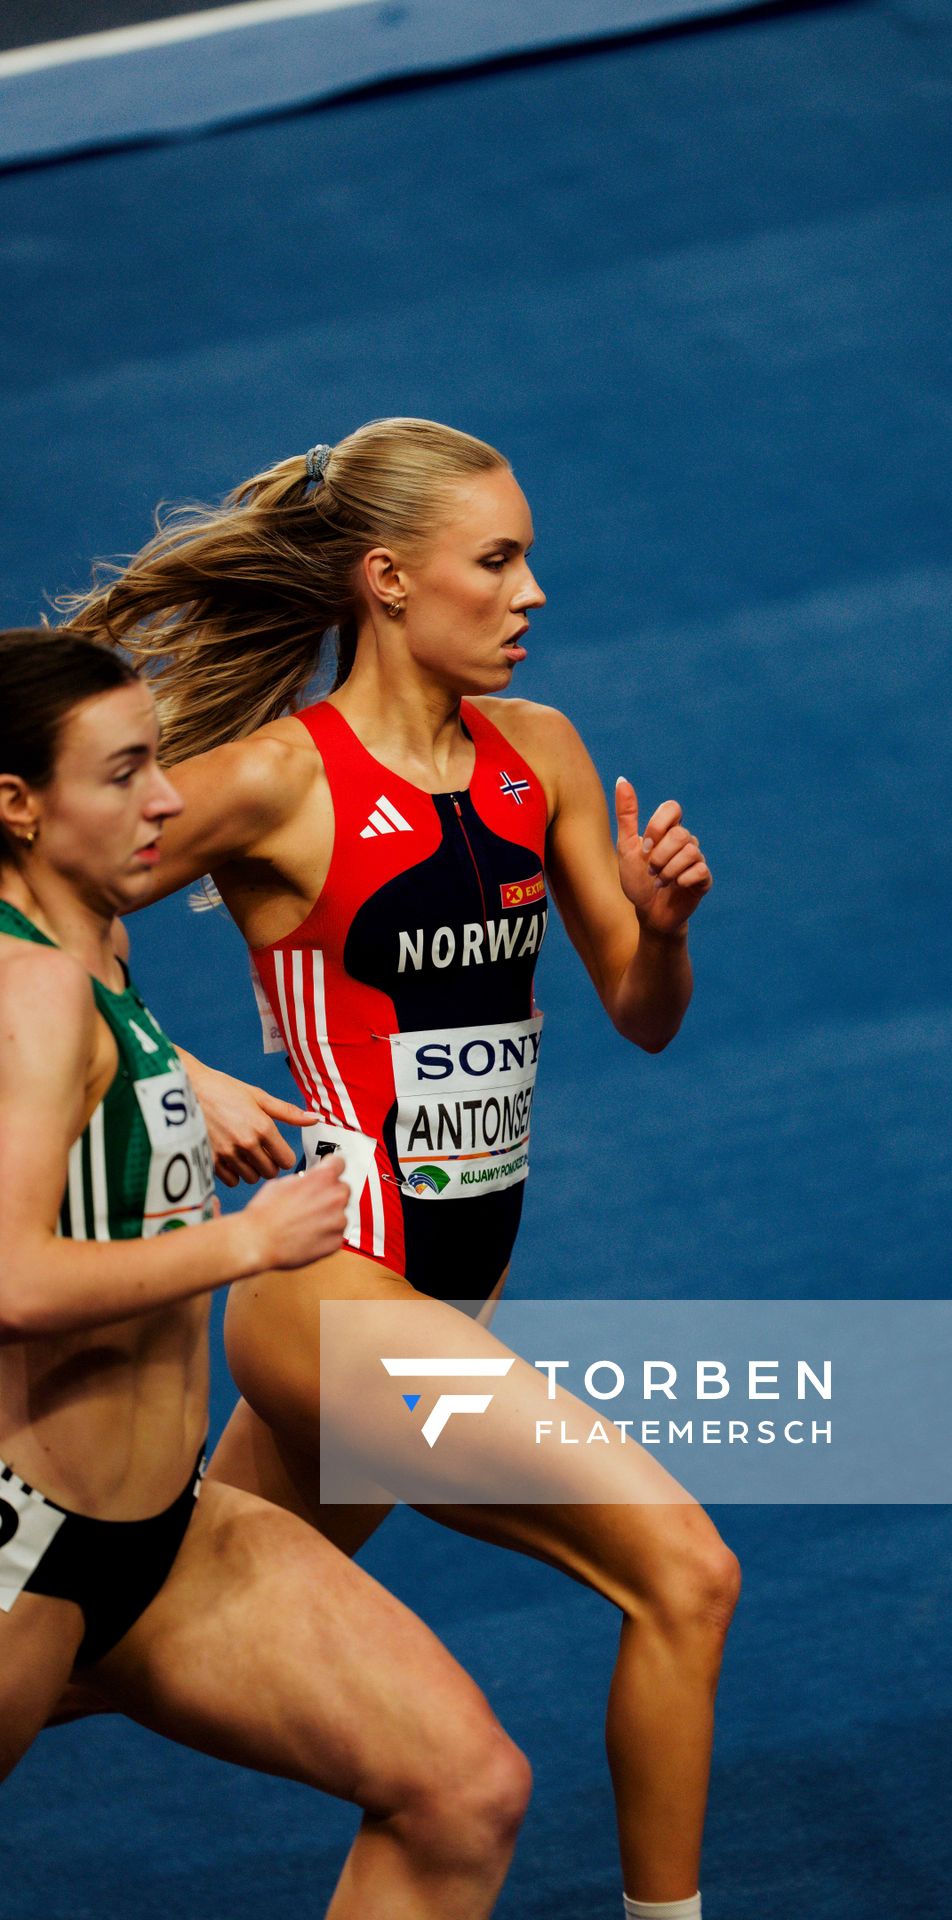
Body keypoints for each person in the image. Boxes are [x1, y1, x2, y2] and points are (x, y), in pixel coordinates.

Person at [67, 416, 740, 1920]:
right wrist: (167, 1066)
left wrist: (665, 923)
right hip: (339, 1305)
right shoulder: (272, 781)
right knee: (684, 1579)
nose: (532, 594)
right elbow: (41, 899)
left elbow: (639, 1015)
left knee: (106, 1638)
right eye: (495, 561)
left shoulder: (541, 758)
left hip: (451, 1302)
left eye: (530, 561)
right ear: (386, 579)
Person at [0, 628, 531, 1917]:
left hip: (165, 1532)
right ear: (16, 805)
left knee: (463, 1791)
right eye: (123, 774)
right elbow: (8, 1278)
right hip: (25, 1544)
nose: (169, 801)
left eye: (158, 766)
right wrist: (246, 1242)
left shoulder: (98, 970)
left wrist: (175, 1074)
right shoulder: (33, 999)